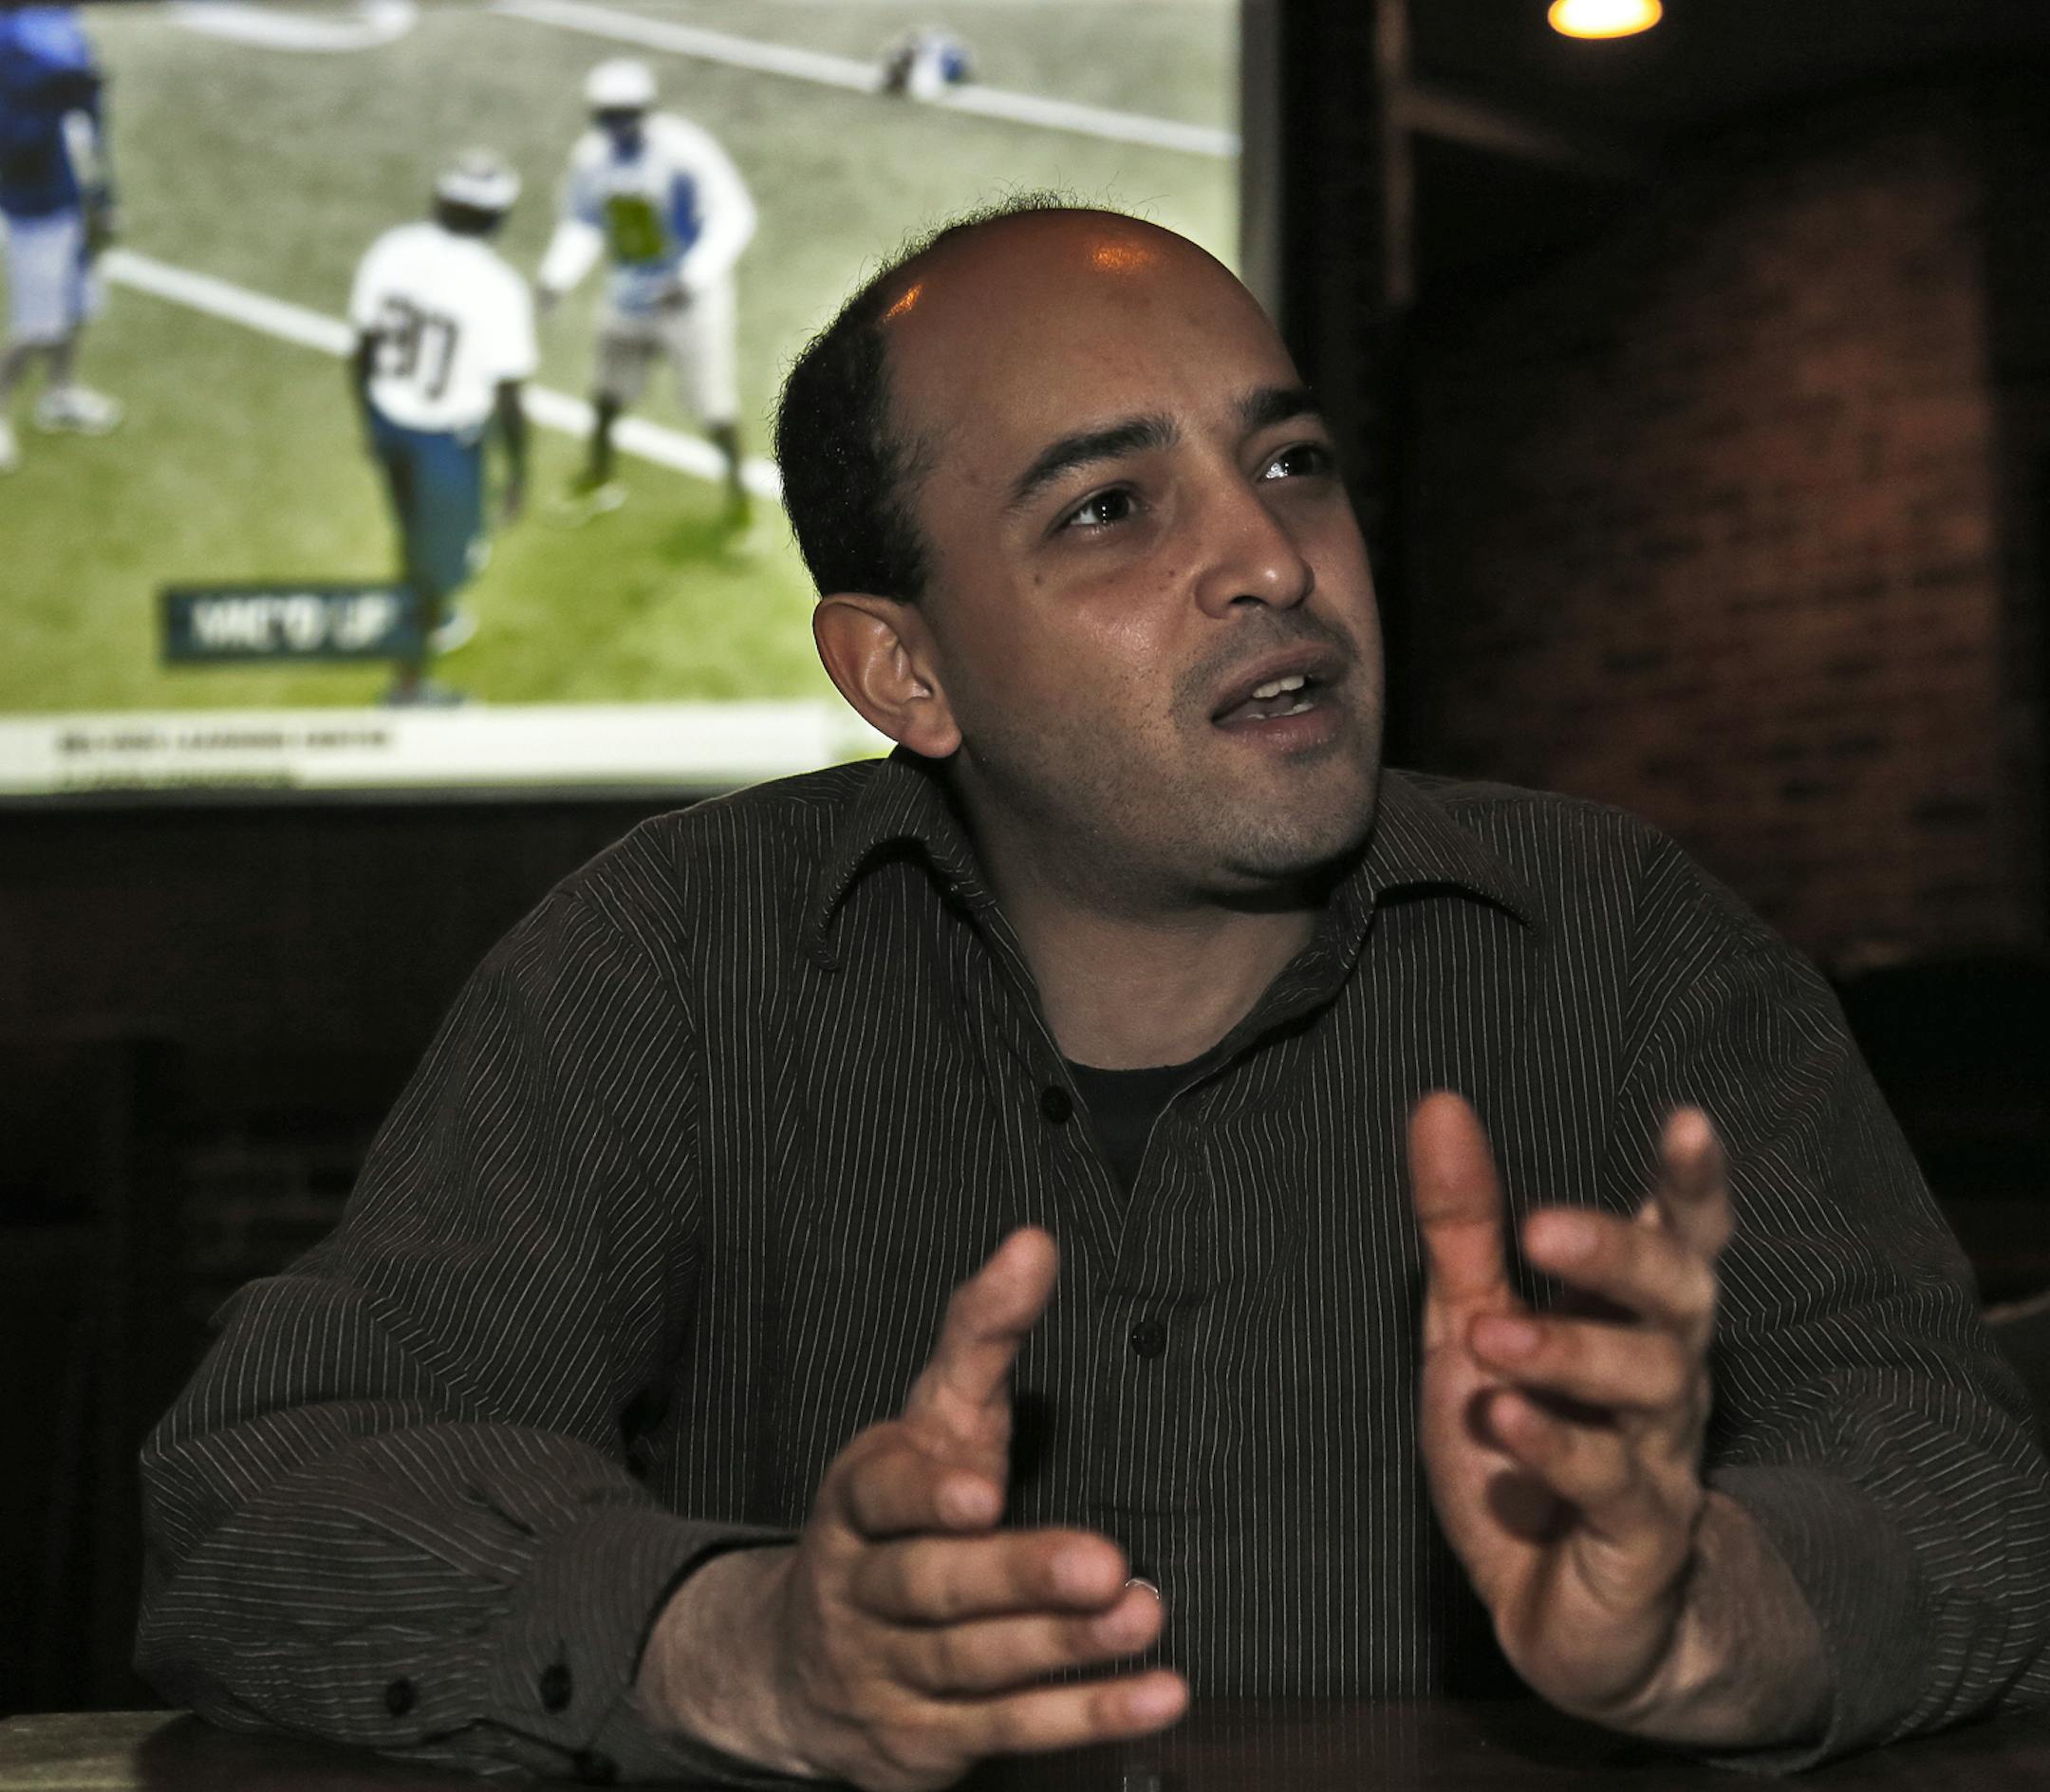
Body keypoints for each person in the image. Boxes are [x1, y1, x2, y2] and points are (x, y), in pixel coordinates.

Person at [137, 203, 2050, 1788]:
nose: (1268, 557)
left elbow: (1955, 1460)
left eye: (1289, 460)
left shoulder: (1621, 942)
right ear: (903, 675)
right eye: (1109, 509)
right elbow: (269, 1485)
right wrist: (742, 1640)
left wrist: (1714, 1610)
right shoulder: (674, 955)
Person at [535, 57, 756, 527]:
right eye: (607, 116)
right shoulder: (591, 160)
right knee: (606, 394)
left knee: (712, 407)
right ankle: (598, 478)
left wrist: (692, 278)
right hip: (628, 292)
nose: (618, 125)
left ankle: (740, 506)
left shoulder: (683, 153)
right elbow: (582, 223)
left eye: (626, 113)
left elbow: (733, 215)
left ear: (645, 110)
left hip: (687, 301)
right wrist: (556, 277)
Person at [347, 151, 533, 706]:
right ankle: (408, 687)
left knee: (412, 532)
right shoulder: (497, 285)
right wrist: (519, 472)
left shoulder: (392, 250)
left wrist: (370, 423)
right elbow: (508, 396)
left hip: (388, 417)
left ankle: (428, 611)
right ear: (498, 218)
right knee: (443, 559)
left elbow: (361, 350)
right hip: (443, 441)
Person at [0, 3, 120, 475]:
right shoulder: (15, 44)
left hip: (76, 198)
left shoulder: (54, 29)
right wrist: (59, 93)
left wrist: (106, 199)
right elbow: (16, 146)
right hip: (37, 211)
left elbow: (91, 126)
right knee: (38, 324)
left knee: (77, 309)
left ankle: (61, 393)